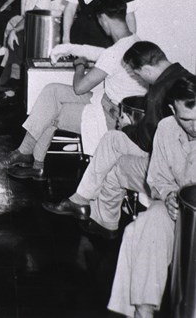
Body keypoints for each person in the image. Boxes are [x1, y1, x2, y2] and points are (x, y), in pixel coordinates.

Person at [42, 42, 191, 239]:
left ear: (145, 69)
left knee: (114, 161)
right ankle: (81, 200)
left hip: (171, 167)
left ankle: (101, 217)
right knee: (111, 139)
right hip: (180, 155)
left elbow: (147, 140)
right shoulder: (185, 76)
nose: (139, 79)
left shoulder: (159, 90)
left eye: (137, 75)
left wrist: (127, 126)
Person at [4, 0, 147, 180]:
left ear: (103, 19)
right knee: (52, 91)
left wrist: (79, 67)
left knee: (52, 112)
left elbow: (79, 88)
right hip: (112, 104)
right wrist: (71, 48)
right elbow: (101, 54)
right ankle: (26, 153)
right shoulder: (134, 42)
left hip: (110, 116)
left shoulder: (115, 52)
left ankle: (35, 163)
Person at [108, 75, 196, 318]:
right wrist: (169, 196)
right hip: (179, 211)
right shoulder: (166, 129)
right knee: (151, 220)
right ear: (172, 110)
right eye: (187, 120)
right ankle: (144, 310)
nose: (195, 127)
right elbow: (157, 178)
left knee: (134, 234)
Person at [0, 0, 66, 107]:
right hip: (44, 35)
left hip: (59, 39)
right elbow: (30, 17)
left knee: (20, 40)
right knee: (18, 36)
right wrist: (14, 31)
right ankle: (12, 82)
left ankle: (11, 85)